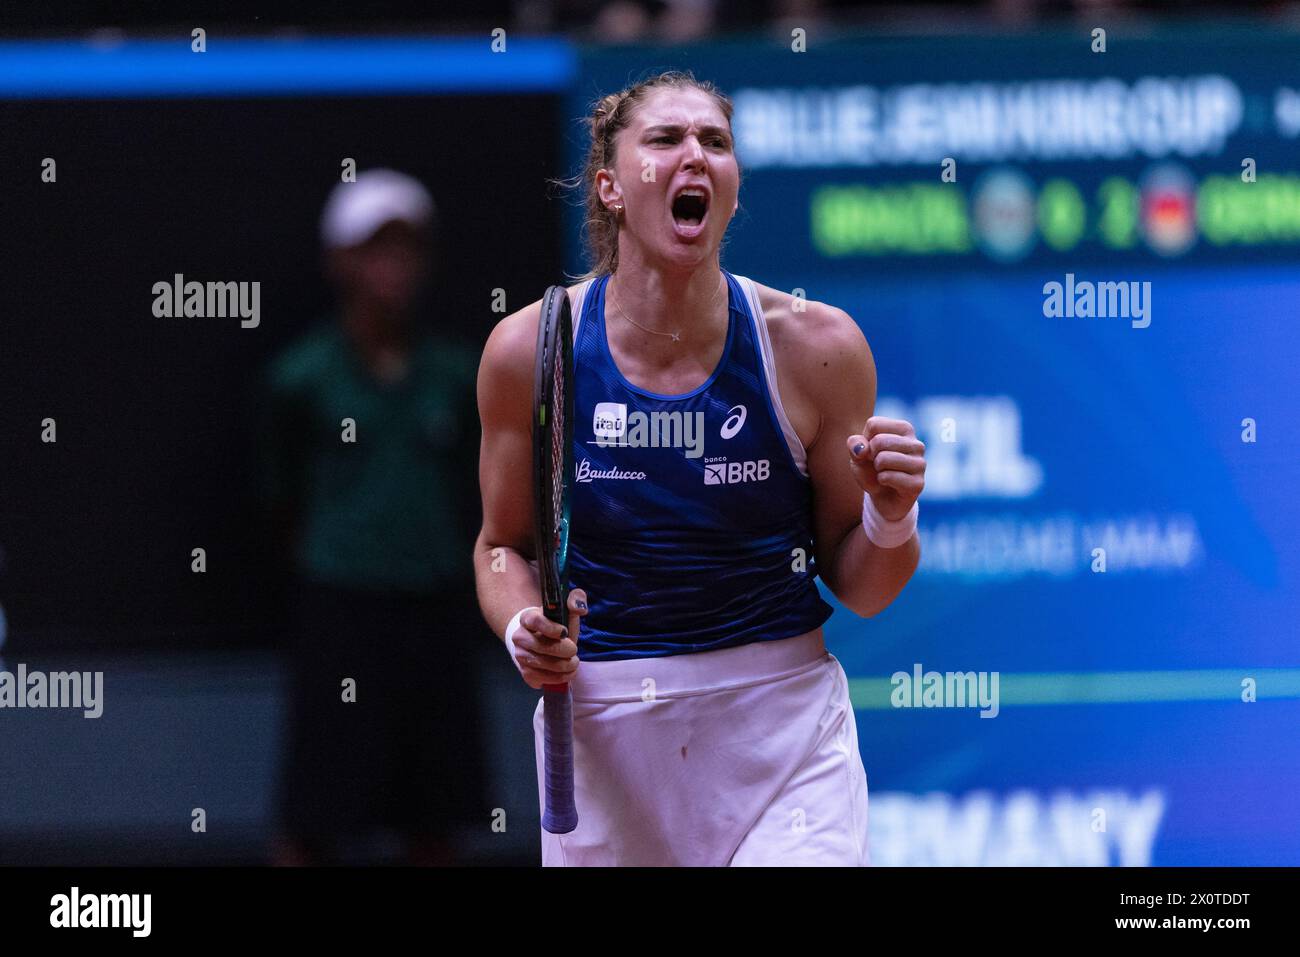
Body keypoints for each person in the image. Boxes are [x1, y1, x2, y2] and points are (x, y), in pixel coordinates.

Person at [474, 72, 926, 866]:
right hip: (604, 736)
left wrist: (892, 517)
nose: (696, 156)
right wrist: (523, 628)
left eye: (714, 143)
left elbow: (864, 586)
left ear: (733, 185)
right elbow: (502, 547)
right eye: (666, 140)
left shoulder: (816, 348)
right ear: (611, 187)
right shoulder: (528, 351)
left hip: (783, 734)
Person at [260, 169, 484, 865]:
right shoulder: (300, 378)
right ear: (340, 261)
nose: (393, 265)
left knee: (438, 818)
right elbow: (279, 499)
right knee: (315, 814)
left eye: (407, 247)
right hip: (340, 613)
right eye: (375, 247)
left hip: (435, 608)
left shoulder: (460, 373)